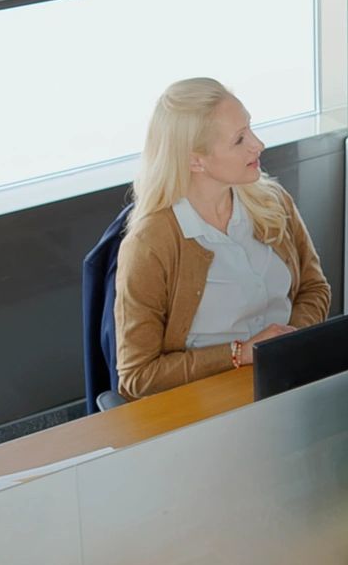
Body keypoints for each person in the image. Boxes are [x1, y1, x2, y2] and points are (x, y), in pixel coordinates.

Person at [112, 78, 330, 398]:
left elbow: (314, 288)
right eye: (239, 139)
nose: (258, 144)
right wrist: (240, 353)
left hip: (290, 381)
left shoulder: (272, 201)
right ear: (194, 160)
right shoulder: (151, 244)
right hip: (207, 399)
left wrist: (289, 340)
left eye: (250, 128)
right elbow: (137, 376)